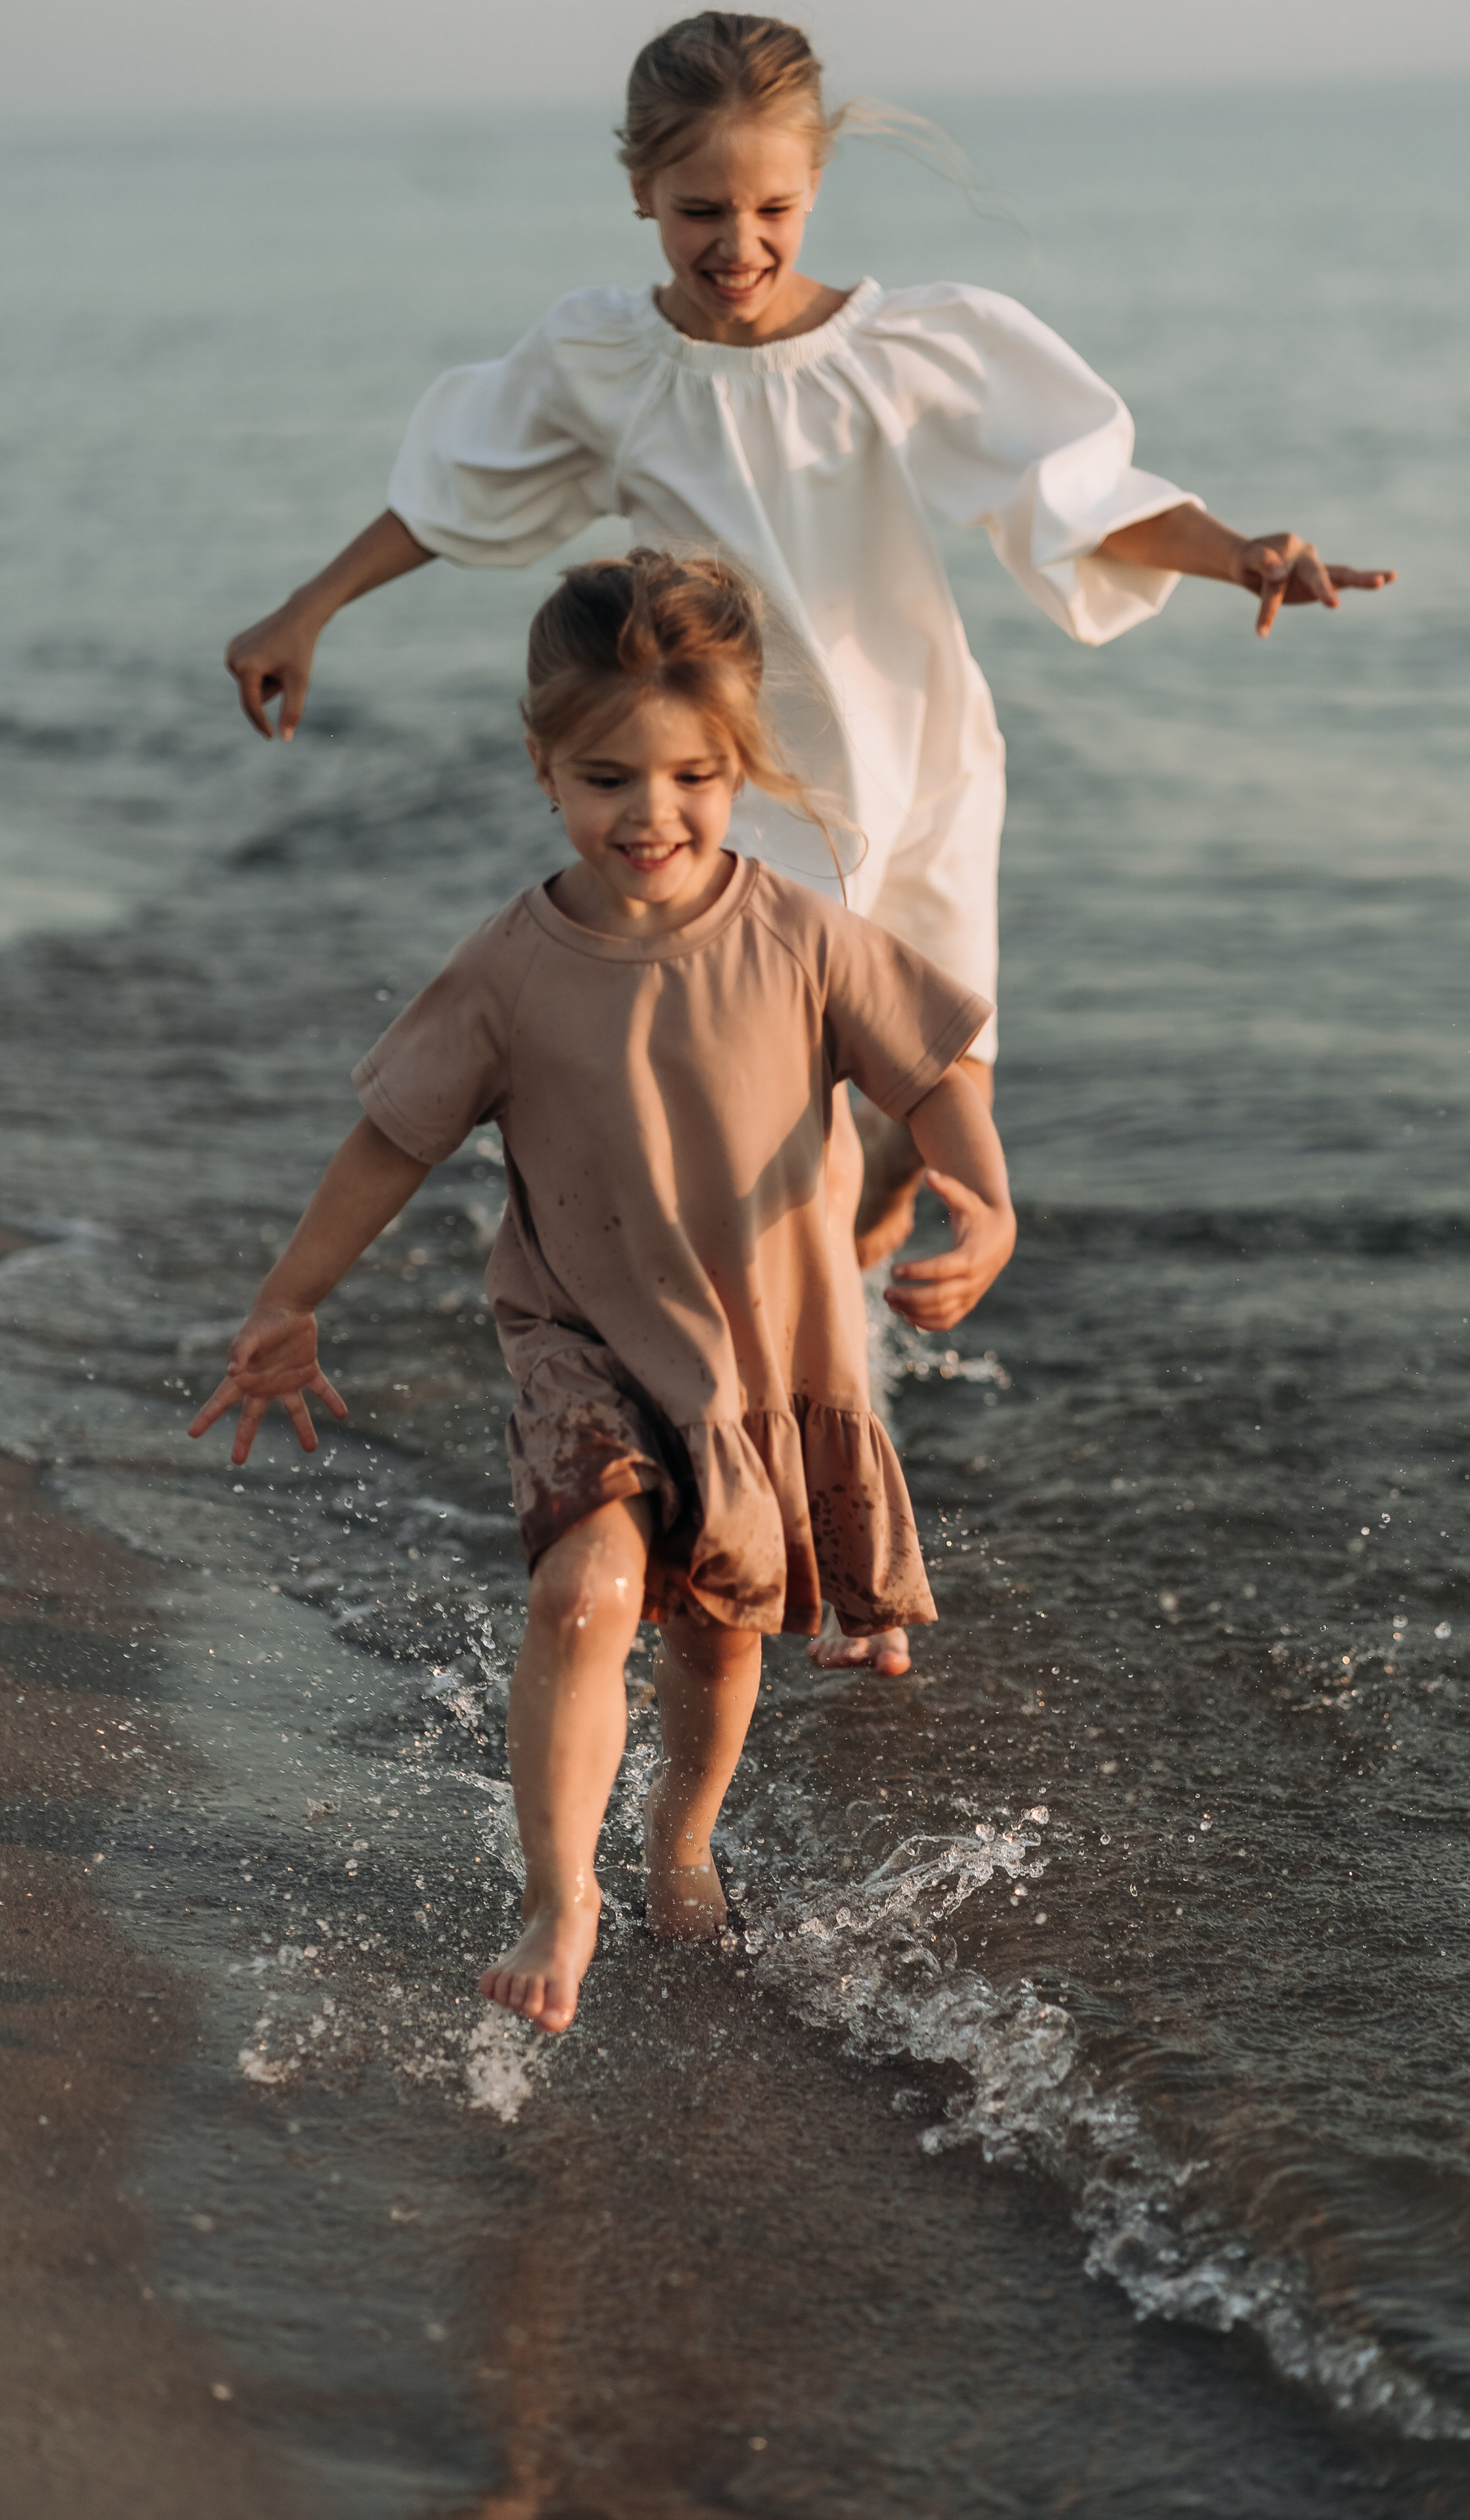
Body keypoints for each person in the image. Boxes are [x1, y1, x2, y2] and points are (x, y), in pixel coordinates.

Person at [222, 9, 1391, 1668]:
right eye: (702, 212)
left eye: (771, 210)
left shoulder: (903, 348)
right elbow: (454, 496)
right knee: (785, 1141)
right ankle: (822, 1531)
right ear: (641, 197)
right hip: (734, 799)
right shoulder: (603, 362)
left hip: (915, 774)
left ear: (815, 185)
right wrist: (305, 609)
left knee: (907, 1127)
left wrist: (1243, 554)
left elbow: (1073, 493)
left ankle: (851, 1333)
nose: (739, 245)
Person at [190, 548, 1015, 2037]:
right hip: (577, 1333)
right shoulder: (511, 966)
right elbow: (393, 1138)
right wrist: (287, 1298)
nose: (652, 815)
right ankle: (557, 1890)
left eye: (694, 777)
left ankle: (678, 1843)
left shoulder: (801, 937)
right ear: (541, 767)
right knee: (587, 1592)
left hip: (753, 1354)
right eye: (607, 778)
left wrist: (981, 1195)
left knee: (712, 1634)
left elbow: (935, 1069)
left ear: (741, 761)